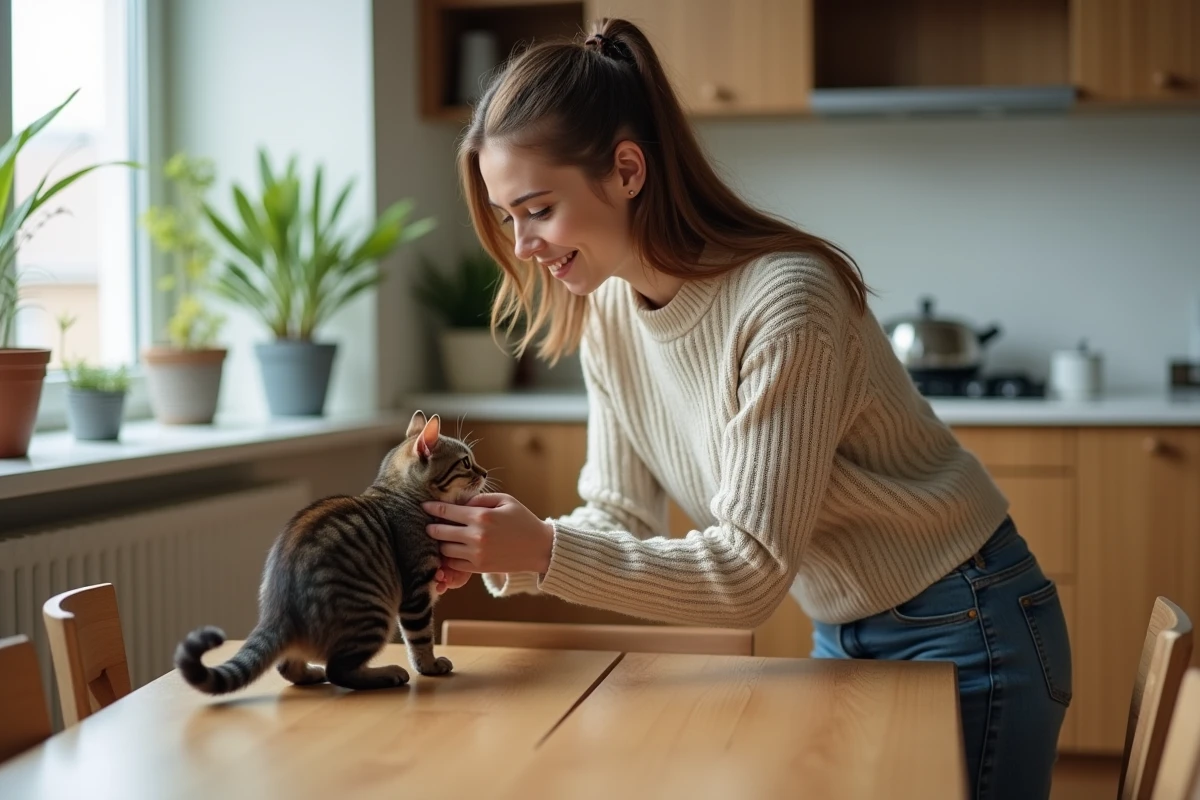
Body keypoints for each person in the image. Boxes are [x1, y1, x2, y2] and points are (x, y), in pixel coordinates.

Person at [422, 17, 1071, 800]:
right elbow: (619, 513)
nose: (522, 244)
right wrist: (495, 544)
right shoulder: (611, 319)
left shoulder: (785, 300)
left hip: (967, 623)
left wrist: (541, 551)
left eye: (538, 209)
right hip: (844, 626)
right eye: (506, 217)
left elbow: (748, 571)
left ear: (627, 169)